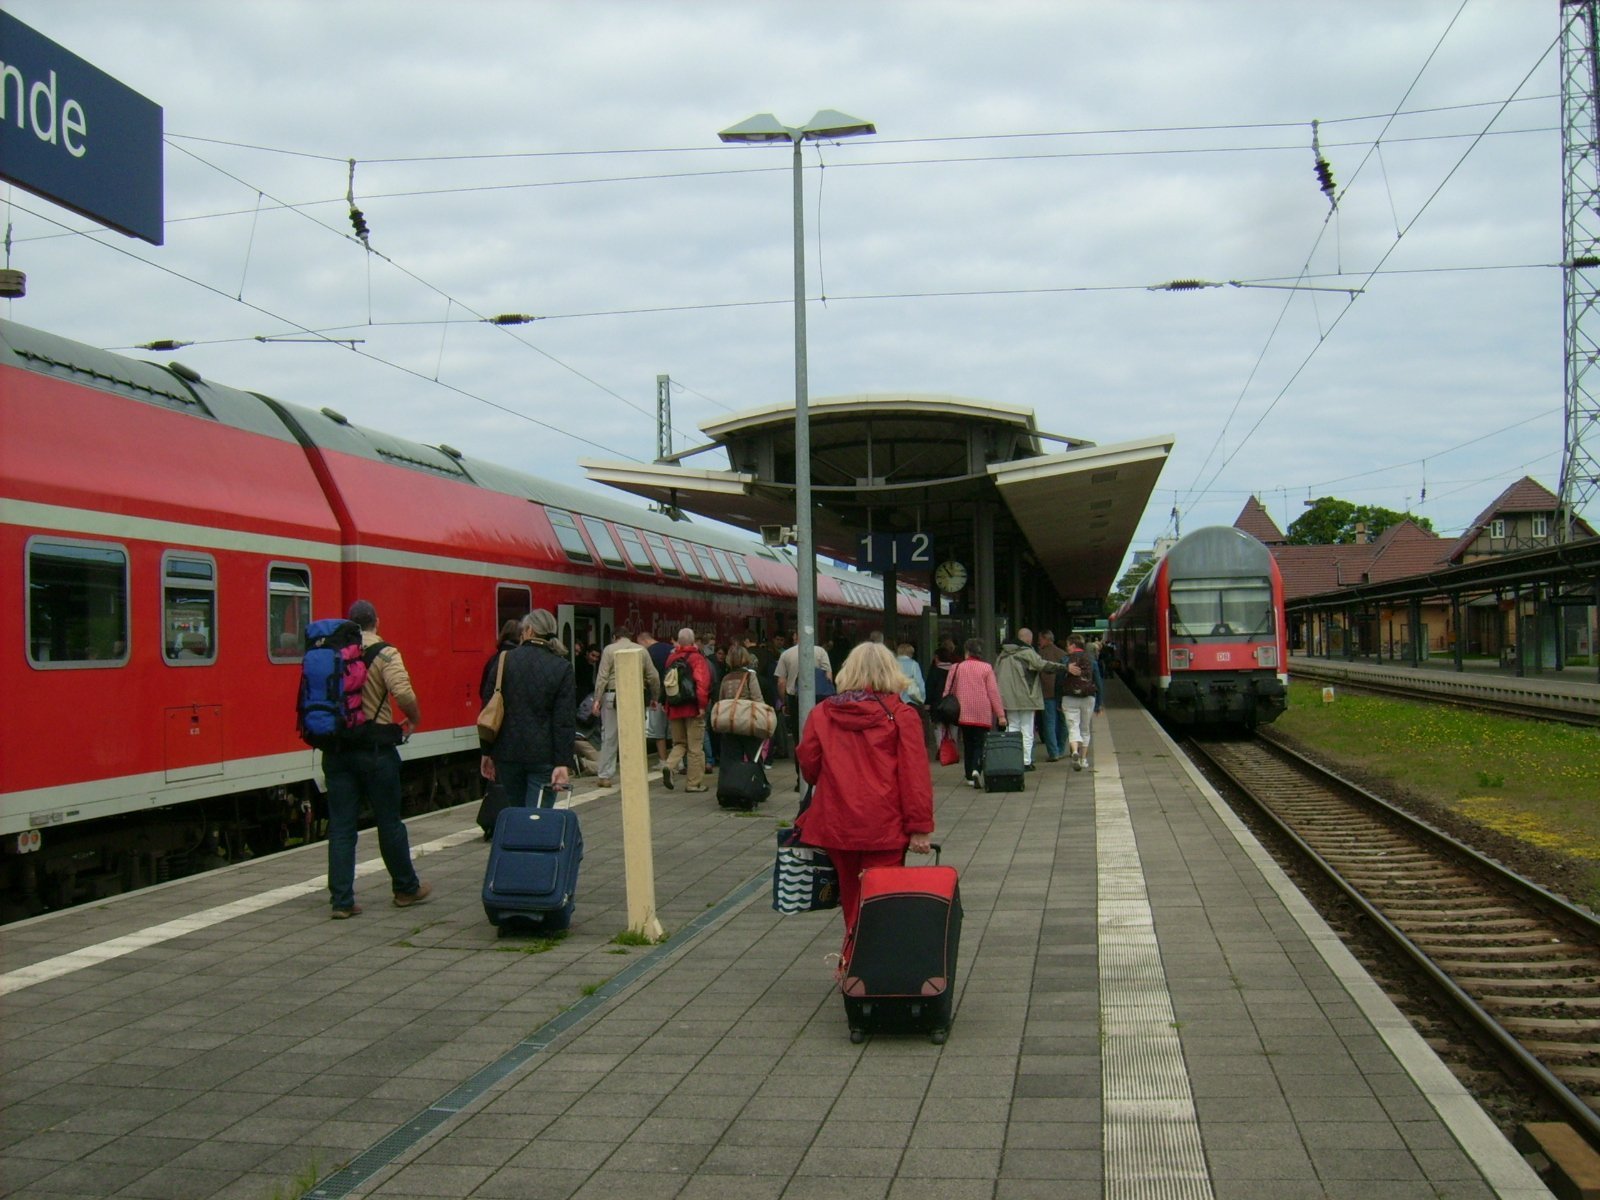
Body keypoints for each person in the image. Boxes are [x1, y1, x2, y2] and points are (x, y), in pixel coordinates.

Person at [794, 641, 934, 944]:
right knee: (882, 900)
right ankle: (873, 967)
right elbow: (915, 778)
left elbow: (808, 765)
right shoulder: (902, 715)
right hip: (885, 825)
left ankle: (853, 959)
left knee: (851, 898)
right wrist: (920, 828)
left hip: (837, 824)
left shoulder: (822, 713)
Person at [324, 599, 430, 919]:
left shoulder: (332, 652)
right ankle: (405, 888)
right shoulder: (385, 652)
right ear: (376, 622)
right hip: (374, 752)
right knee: (388, 821)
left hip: (337, 751)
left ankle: (342, 901)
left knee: (341, 828)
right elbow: (403, 692)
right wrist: (413, 718)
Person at [481, 609, 574, 806]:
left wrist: (486, 752)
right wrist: (562, 763)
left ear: (529, 630)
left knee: (515, 813)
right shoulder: (562, 667)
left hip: (507, 755)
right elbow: (564, 721)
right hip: (543, 757)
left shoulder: (504, 661)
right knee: (537, 818)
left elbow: (488, 708)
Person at [592, 626, 662, 786]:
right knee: (634, 736)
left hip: (611, 695)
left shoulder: (609, 650)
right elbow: (654, 676)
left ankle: (605, 776)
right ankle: (634, 775)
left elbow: (602, 676)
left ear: (614, 637)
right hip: (634, 695)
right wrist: (655, 697)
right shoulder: (641, 650)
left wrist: (597, 699)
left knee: (609, 736)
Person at [943, 638, 1005, 786]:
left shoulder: (956, 668)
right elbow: (993, 693)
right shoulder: (986, 668)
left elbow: (947, 691)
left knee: (968, 744)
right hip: (982, 713)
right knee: (980, 743)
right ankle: (977, 769)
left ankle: (969, 776)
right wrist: (1001, 715)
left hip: (963, 713)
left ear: (966, 651)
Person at [995, 628, 1059, 770]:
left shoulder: (1002, 655)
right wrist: (1064, 668)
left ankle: (1012, 759)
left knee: (1012, 728)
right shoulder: (1027, 653)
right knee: (1027, 730)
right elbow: (1043, 665)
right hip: (1026, 698)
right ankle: (1026, 761)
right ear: (1029, 640)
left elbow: (996, 674)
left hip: (1008, 699)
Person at [663, 627, 713, 793]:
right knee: (695, 747)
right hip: (692, 708)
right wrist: (701, 706)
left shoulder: (671, 658)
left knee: (679, 743)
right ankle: (693, 783)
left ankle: (669, 766)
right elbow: (702, 684)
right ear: (693, 642)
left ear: (678, 641)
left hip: (675, 706)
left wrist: (667, 705)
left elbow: (667, 683)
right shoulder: (697, 659)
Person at [714, 643, 767, 767]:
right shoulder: (750, 676)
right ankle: (756, 780)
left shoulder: (726, 678)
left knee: (732, 758)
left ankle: (734, 782)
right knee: (753, 756)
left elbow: (721, 700)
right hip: (747, 722)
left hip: (730, 724)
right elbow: (758, 699)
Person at [639, 627, 674, 779]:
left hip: (658, 697)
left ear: (644, 641)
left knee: (658, 730)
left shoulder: (648, 653)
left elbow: (649, 676)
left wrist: (653, 696)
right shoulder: (670, 648)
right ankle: (676, 761)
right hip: (673, 696)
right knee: (674, 730)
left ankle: (663, 760)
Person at [1061, 633, 1098, 771]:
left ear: (1073, 645)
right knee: (1085, 729)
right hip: (1088, 697)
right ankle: (1083, 759)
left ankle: (1075, 751)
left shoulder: (1065, 660)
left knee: (1072, 727)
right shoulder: (1091, 659)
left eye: (1067, 645)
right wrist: (1099, 702)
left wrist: (1059, 698)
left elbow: (1059, 680)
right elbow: (1097, 679)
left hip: (1069, 697)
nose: (1066, 648)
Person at [1036, 629, 1066, 763]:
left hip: (1046, 694)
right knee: (1063, 722)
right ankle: (1060, 749)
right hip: (1061, 694)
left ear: (1046, 639)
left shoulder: (1039, 655)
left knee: (1049, 723)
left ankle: (1053, 752)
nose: (1038, 642)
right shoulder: (1062, 653)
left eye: (1040, 639)